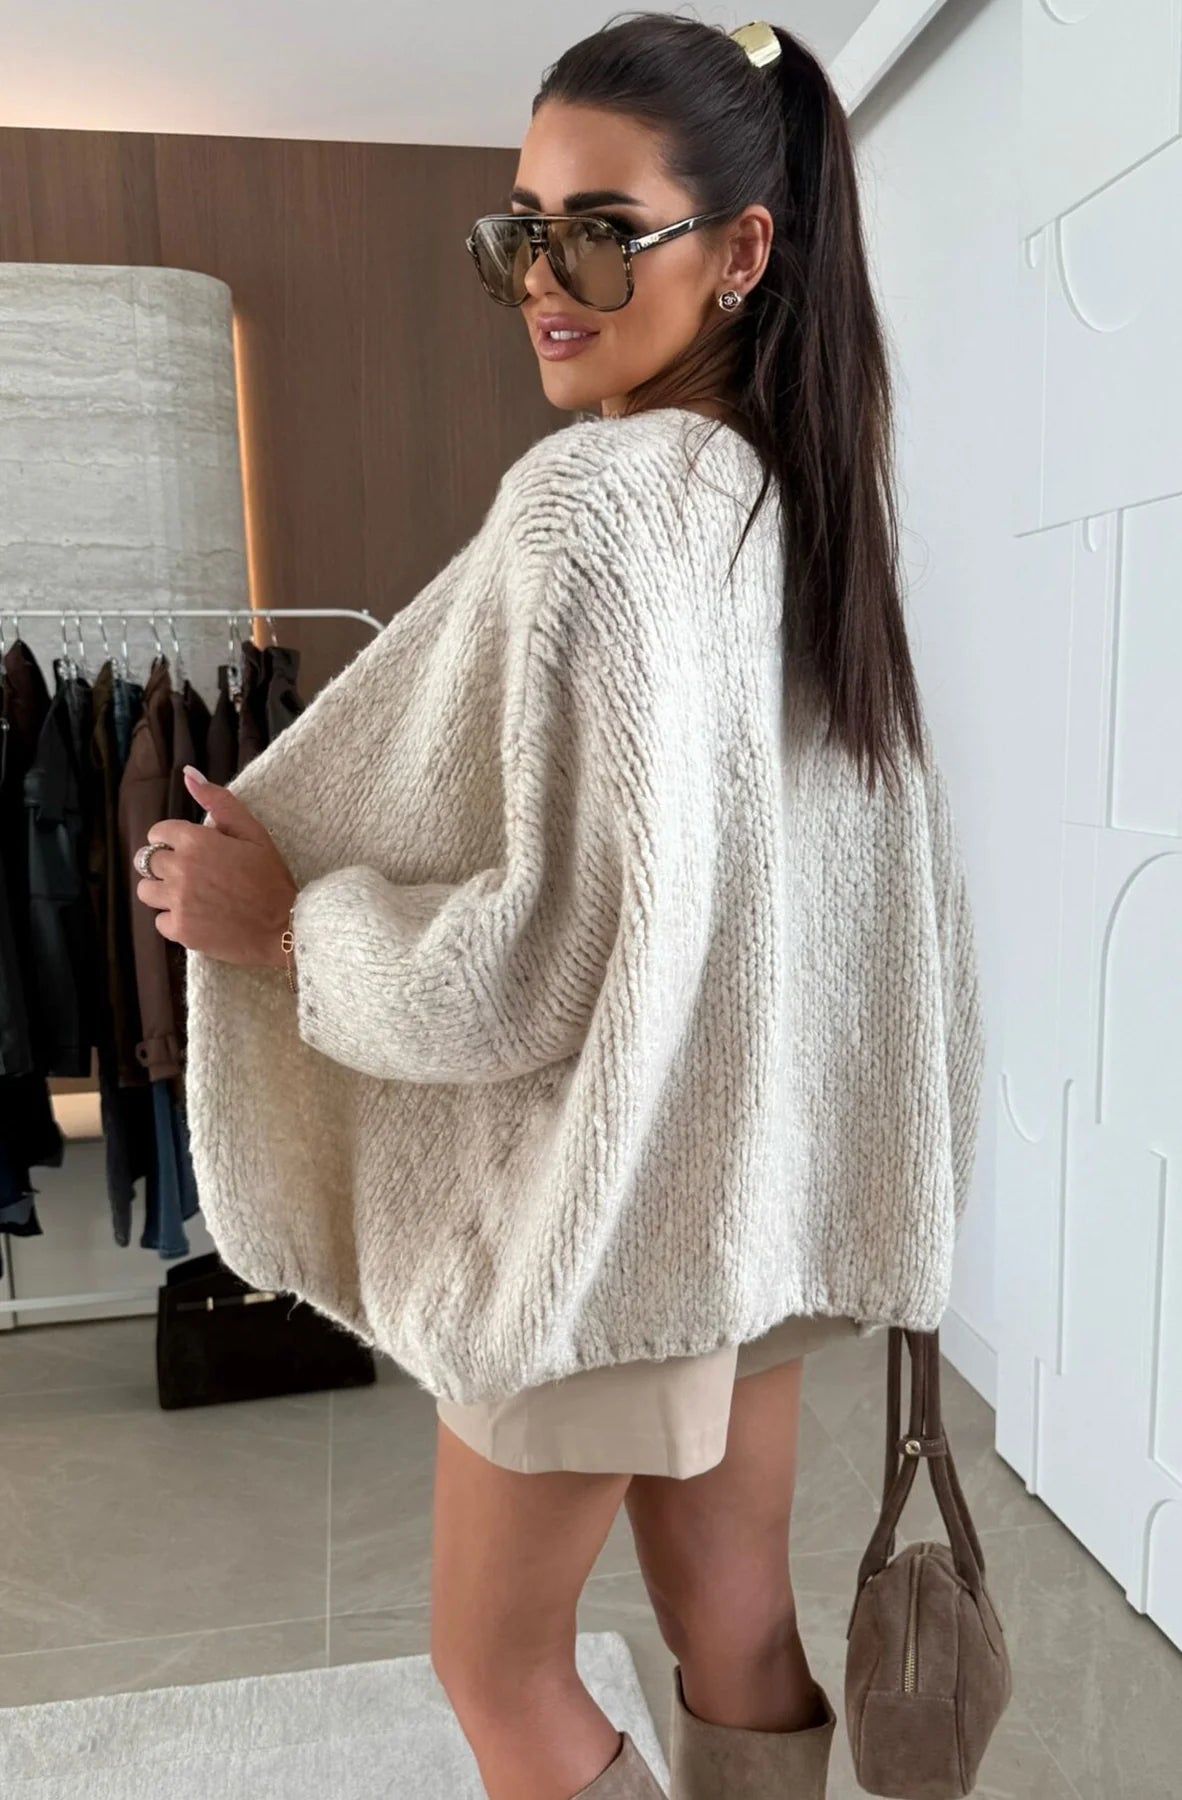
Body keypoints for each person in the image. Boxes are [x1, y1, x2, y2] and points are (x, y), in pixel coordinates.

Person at [133, 15, 984, 1800]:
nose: (542, 279)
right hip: (748, 1191)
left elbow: (540, 962)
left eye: (599, 231)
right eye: (519, 230)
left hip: (611, 1215)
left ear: (741, 250)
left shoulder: (596, 506)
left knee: (495, 1668)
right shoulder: (795, 501)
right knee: (733, 1627)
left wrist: (283, 928)